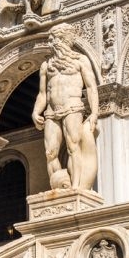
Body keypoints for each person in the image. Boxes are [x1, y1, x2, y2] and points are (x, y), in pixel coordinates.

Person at [32, 23, 99, 190]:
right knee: (50, 153)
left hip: (73, 107)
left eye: (53, 39)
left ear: (63, 40)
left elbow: (91, 87)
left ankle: (76, 188)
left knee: (73, 147)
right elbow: (42, 93)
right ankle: (58, 187)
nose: (50, 43)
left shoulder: (80, 60)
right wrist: (35, 111)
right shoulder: (46, 65)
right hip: (51, 112)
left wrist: (95, 113)